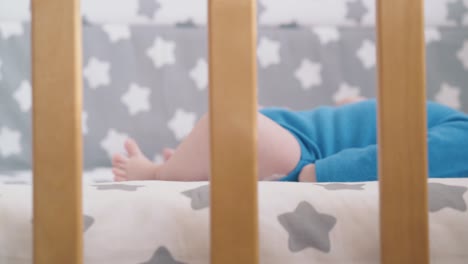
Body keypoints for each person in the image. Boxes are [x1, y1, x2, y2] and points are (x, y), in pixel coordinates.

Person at [111, 97, 468, 183]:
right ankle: (193, 165)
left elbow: (405, 158)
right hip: (300, 134)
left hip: (307, 154)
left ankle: (158, 174)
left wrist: (315, 174)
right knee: (239, 125)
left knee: (232, 117)